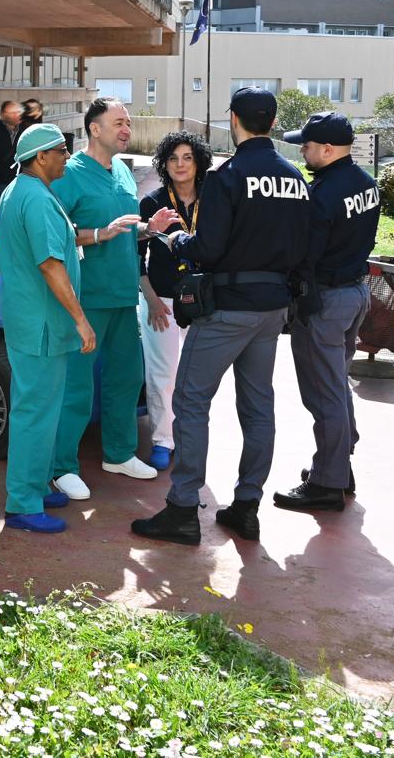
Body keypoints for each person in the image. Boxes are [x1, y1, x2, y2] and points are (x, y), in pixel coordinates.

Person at [131, 86, 311, 545]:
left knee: (191, 401)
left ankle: (183, 508)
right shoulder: (294, 177)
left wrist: (173, 242)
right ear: (271, 122)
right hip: (273, 310)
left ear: (234, 119)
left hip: (227, 308)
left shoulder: (229, 178)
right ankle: (247, 506)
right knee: (258, 407)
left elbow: (206, 249)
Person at [48, 98, 178, 501]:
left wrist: (147, 228)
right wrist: (99, 233)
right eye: (118, 123)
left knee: (126, 378)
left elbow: (122, 229)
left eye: (128, 123)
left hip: (124, 296)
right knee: (76, 387)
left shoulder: (122, 171)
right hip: (87, 297)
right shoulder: (68, 174)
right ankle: (61, 467)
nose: (126, 129)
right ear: (95, 129)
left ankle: (119, 454)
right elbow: (56, 233)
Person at [0, 123, 97, 534]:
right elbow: (51, 265)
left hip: (28, 318)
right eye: (62, 151)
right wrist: (81, 319)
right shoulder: (35, 198)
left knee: (38, 409)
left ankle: (33, 484)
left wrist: (20, 279)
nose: (67, 157)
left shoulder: (17, 190)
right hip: (43, 325)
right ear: (40, 157)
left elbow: (1, 240)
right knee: (35, 413)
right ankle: (22, 503)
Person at [275, 111, 380, 512]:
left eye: (306, 144)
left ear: (328, 149)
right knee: (336, 385)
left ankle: (327, 483)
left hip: (327, 301)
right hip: (355, 295)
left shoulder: (322, 194)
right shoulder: (366, 183)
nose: (302, 150)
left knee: (324, 394)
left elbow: (305, 254)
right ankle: (339, 466)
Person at [137, 130, 213, 473]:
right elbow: (137, 257)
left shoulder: (214, 199)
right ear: (164, 165)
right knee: (163, 374)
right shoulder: (153, 202)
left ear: (199, 163)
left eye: (187, 158)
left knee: (196, 376)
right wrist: (151, 299)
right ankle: (162, 440)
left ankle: (189, 435)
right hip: (163, 301)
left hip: (204, 301)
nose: (180, 165)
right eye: (173, 159)